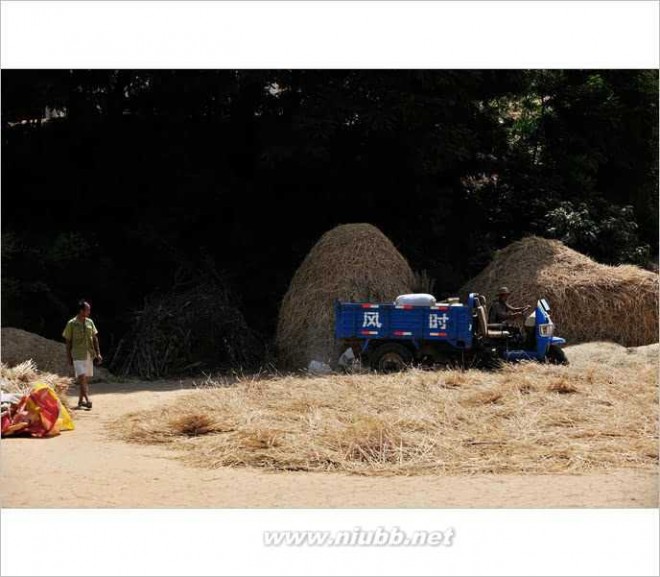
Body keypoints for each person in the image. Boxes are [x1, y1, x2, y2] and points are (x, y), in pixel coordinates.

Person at [62, 300, 102, 410]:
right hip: (77, 355)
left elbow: (95, 338)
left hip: (89, 354)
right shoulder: (71, 324)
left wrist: (98, 353)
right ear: (81, 311)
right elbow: (68, 342)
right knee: (82, 378)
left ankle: (80, 401)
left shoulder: (90, 322)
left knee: (85, 379)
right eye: (87, 309)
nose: (89, 311)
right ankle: (87, 400)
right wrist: (69, 357)